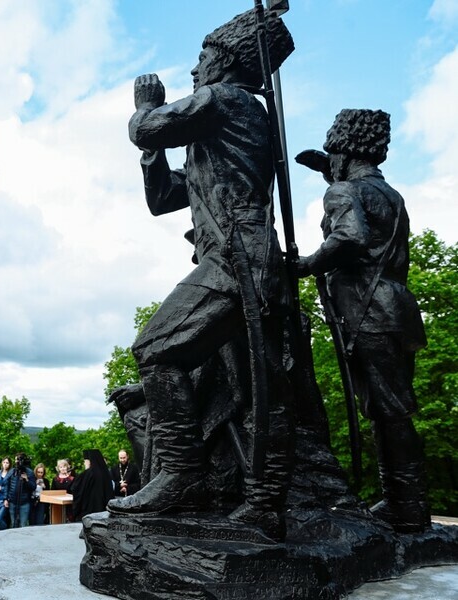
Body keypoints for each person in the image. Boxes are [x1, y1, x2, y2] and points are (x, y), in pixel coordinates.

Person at [108, 9, 296, 541]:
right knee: (252, 390)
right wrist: (152, 153)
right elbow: (165, 198)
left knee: (157, 348)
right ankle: (259, 501)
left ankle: (182, 473)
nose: (195, 70)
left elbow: (148, 124)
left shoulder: (227, 100)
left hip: (238, 256)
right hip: (238, 258)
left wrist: (146, 108)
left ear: (227, 58)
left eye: (202, 56)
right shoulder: (222, 126)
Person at [296, 109, 430, 533]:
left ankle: (406, 507)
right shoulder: (388, 193)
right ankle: (403, 502)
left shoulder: (342, 191)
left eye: (333, 154)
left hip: (367, 311)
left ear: (344, 151)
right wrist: (331, 171)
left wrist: (306, 264)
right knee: (390, 409)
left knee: (388, 410)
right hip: (397, 309)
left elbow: (349, 235)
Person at [70, 450, 113, 519]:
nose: (84, 463)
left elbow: (75, 488)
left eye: (85, 461)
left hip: (89, 511)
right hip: (104, 510)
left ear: (89, 461)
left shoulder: (88, 474)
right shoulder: (105, 473)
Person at [3, 454, 34, 528]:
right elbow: (6, 484)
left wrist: (27, 480)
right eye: (16, 460)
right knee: (13, 523)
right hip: (13, 502)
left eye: (18, 460)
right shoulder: (13, 471)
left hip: (24, 503)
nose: (16, 462)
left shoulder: (29, 472)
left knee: (23, 525)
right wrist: (5, 499)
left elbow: (33, 487)